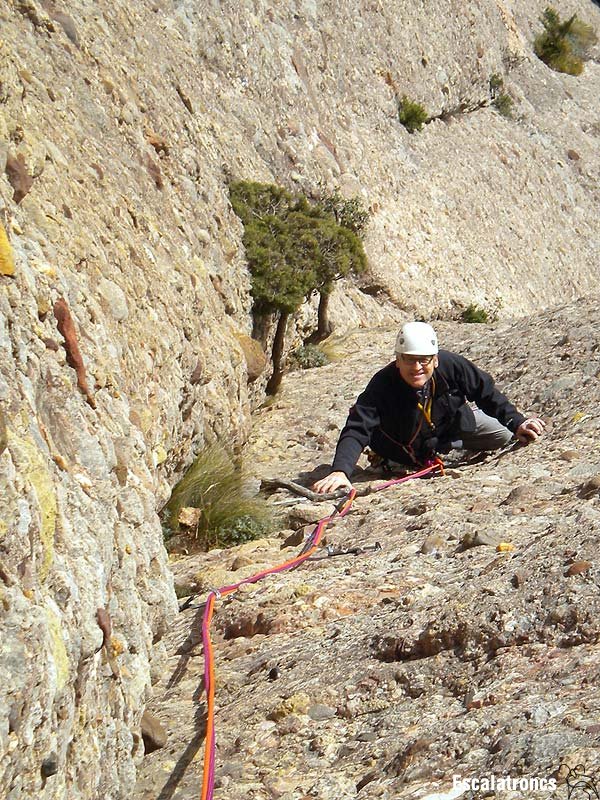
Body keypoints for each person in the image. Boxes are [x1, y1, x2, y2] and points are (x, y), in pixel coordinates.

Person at [313, 321, 545, 494]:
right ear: (397, 360)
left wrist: (517, 422)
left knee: (504, 436)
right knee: (404, 459)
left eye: (423, 359)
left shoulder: (452, 366)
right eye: (409, 360)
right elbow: (357, 428)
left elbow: (485, 393)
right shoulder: (382, 384)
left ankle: (454, 449)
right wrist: (341, 471)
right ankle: (394, 460)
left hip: (450, 427)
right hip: (403, 445)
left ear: (435, 359)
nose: (417, 367)